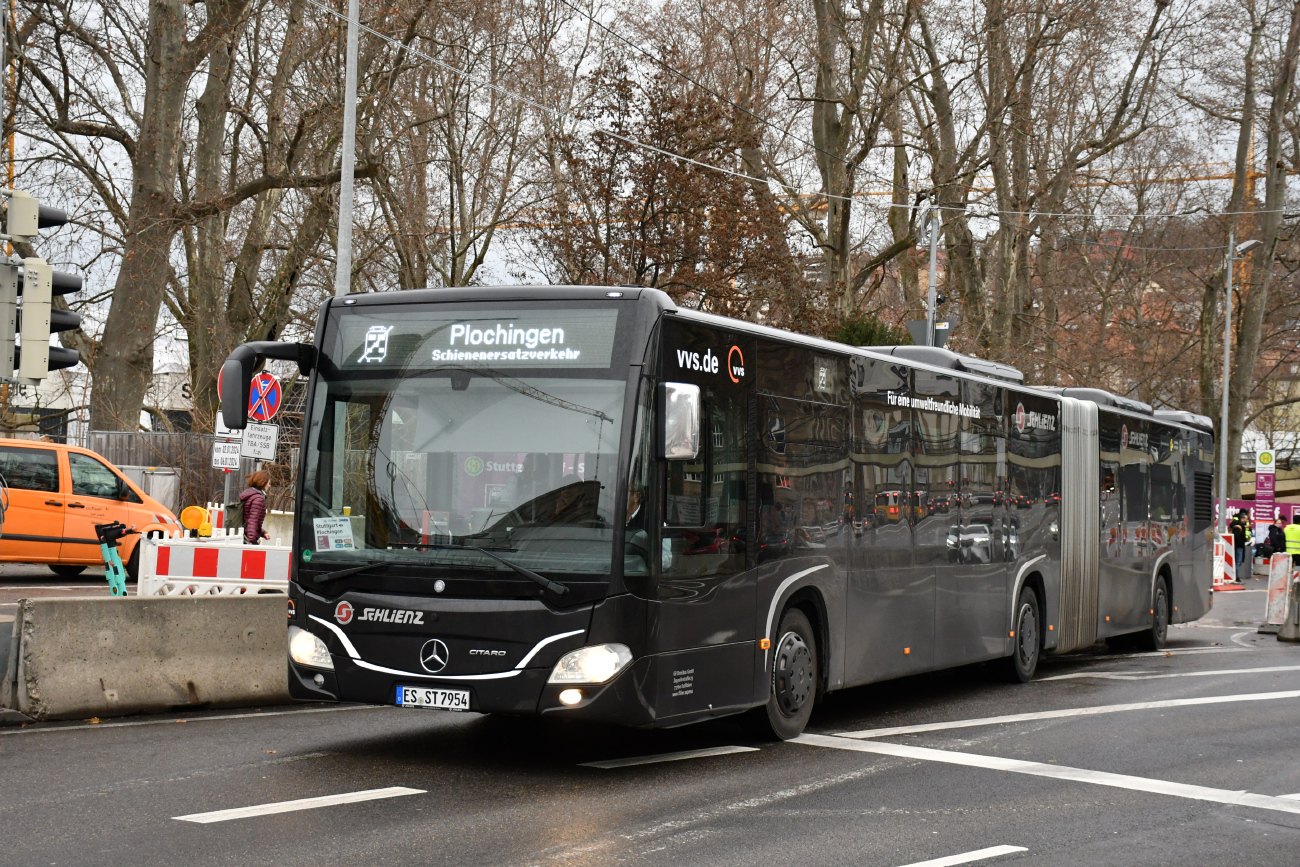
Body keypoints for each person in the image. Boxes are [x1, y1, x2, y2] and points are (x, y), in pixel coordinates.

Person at [239, 470, 271, 545]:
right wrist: (251, 540)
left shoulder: (250, 495)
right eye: (268, 483)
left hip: (244, 533)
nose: (269, 485)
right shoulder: (258, 498)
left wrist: (263, 533)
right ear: (263, 482)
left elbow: (248, 519)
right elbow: (252, 520)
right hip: (249, 537)